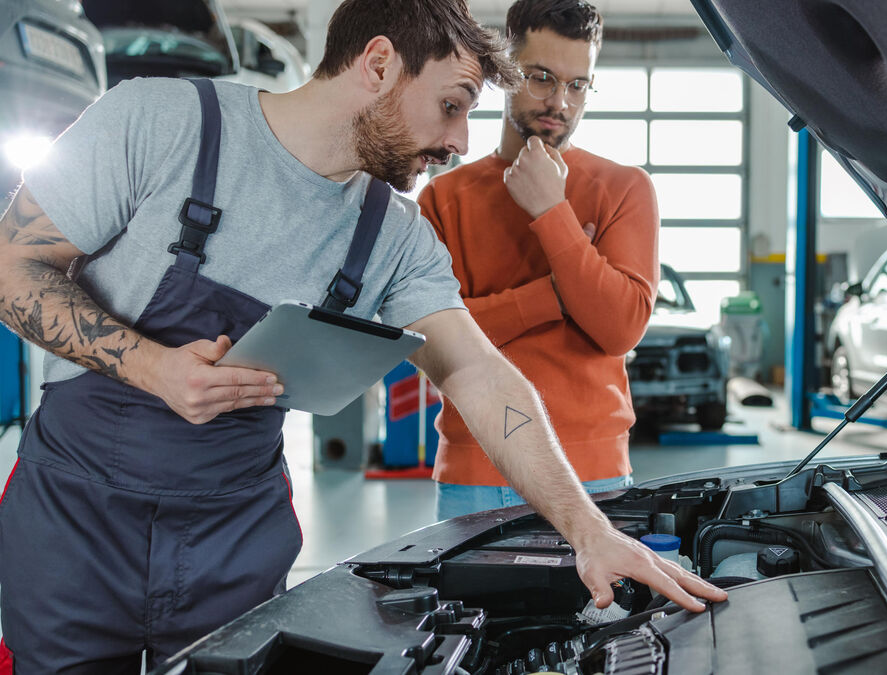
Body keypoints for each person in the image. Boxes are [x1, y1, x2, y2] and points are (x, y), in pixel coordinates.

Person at [0, 0, 723, 670]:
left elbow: (476, 371)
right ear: (378, 64)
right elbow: (11, 266)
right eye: (450, 106)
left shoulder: (392, 234)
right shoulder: (160, 122)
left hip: (232, 539)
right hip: (77, 527)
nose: (459, 140)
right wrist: (154, 367)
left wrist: (588, 528)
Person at [420, 0, 659, 519]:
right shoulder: (442, 200)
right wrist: (556, 294)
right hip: (475, 473)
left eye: (579, 85)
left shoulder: (624, 189)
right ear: (504, 71)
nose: (561, 102)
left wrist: (551, 210)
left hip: (595, 475)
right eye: (542, 77)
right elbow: (435, 346)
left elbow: (619, 327)